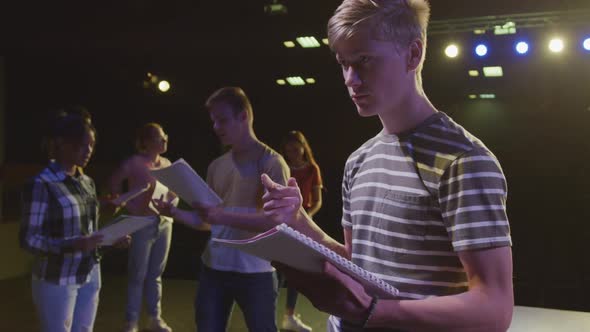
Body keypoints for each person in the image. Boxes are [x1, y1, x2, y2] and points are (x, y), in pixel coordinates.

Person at [260, 0, 514, 331]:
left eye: (364, 60)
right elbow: (361, 264)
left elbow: (494, 309)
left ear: (413, 54)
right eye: (343, 63)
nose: (350, 79)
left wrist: (373, 312)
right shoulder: (359, 161)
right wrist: (300, 222)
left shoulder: (464, 161)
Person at [153, 86, 290, 332]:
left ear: (244, 116)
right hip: (213, 270)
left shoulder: (272, 162)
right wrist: (173, 212)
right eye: (214, 121)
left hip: (256, 272)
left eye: (223, 120)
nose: (216, 127)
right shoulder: (217, 165)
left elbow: (277, 222)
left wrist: (222, 215)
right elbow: (208, 223)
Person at [20, 111, 128, 332]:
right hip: (58, 278)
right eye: (82, 145)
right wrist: (72, 244)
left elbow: (87, 231)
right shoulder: (42, 184)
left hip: (89, 271)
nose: (88, 151)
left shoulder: (86, 181)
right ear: (61, 144)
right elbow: (29, 239)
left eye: (92, 145)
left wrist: (109, 239)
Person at [108, 123, 177, 332]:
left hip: (164, 223)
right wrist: (130, 205)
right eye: (158, 136)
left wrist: (172, 205)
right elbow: (113, 183)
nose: (164, 138)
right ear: (146, 142)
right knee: (137, 273)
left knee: (156, 273)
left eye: (165, 134)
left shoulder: (167, 163)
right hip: (141, 223)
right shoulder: (135, 163)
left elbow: (174, 191)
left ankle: (155, 318)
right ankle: (131, 321)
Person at [279, 130, 324, 332]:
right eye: (289, 146)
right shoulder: (282, 168)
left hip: (303, 226)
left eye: (296, 145)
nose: (292, 150)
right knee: (278, 269)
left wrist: (306, 216)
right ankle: (266, 312)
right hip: (282, 224)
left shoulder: (312, 169)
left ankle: (289, 317)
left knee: (296, 272)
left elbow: (317, 201)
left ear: (303, 146)